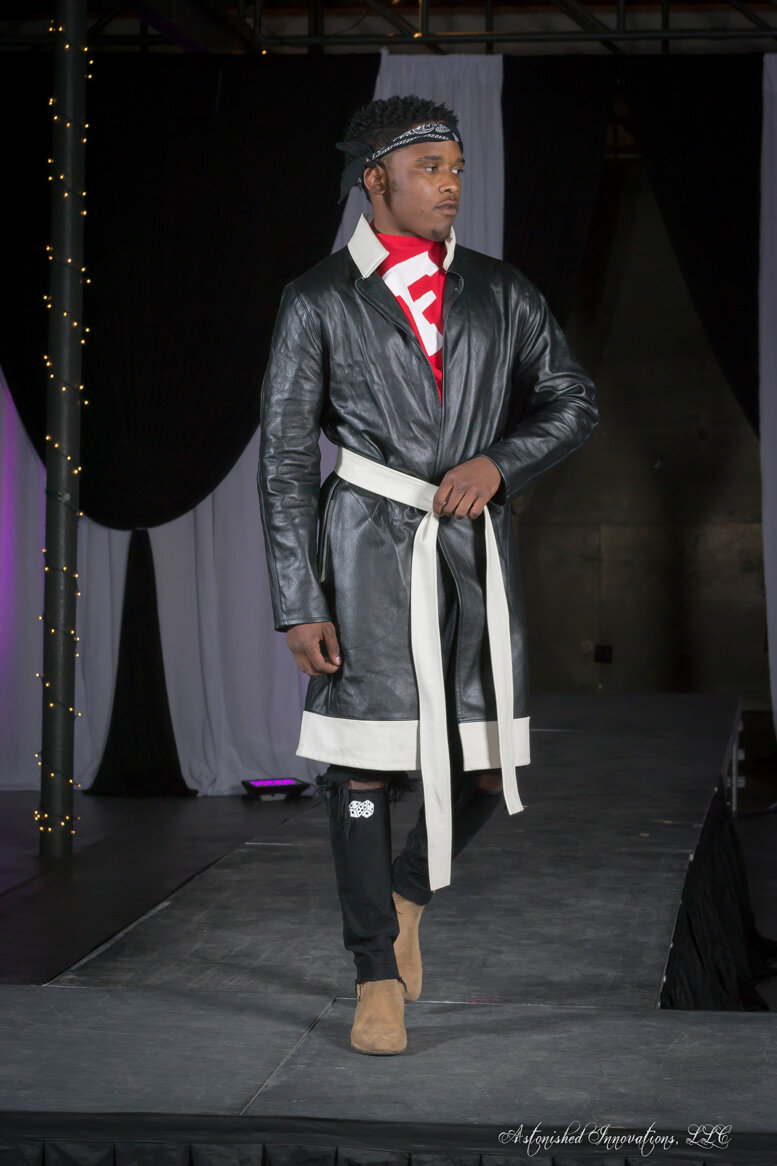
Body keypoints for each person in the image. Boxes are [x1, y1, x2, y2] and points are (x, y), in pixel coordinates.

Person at [257, 95, 598, 1056]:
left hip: (471, 551)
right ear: (377, 181)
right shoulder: (317, 298)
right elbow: (285, 459)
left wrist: (500, 463)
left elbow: (572, 401)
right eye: (429, 168)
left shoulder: (501, 289)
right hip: (364, 553)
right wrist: (299, 598)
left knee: (487, 764)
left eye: (455, 167)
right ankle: (374, 974)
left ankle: (406, 894)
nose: (450, 184)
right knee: (364, 762)